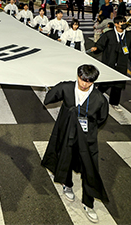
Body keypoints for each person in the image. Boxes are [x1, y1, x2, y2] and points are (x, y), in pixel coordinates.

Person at [41, 64, 109, 223]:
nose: (84, 84)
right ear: (77, 76)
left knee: (90, 168)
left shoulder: (99, 99)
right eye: (82, 79)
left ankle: (88, 203)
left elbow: (102, 118)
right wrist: (50, 89)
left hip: (87, 138)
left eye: (89, 81)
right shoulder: (66, 87)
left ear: (94, 82)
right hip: (67, 133)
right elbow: (48, 99)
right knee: (65, 158)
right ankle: (67, 183)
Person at [91, 15, 131, 111]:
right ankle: (93, 99)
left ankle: (114, 103)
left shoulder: (129, 36)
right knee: (105, 84)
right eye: (121, 22)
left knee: (118, 84)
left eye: (124, 22)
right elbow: (100, 45)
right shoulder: (109, 34)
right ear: (116, 24)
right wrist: (96, 49)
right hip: (109, 62)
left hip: (122, 63)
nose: (123, 24)